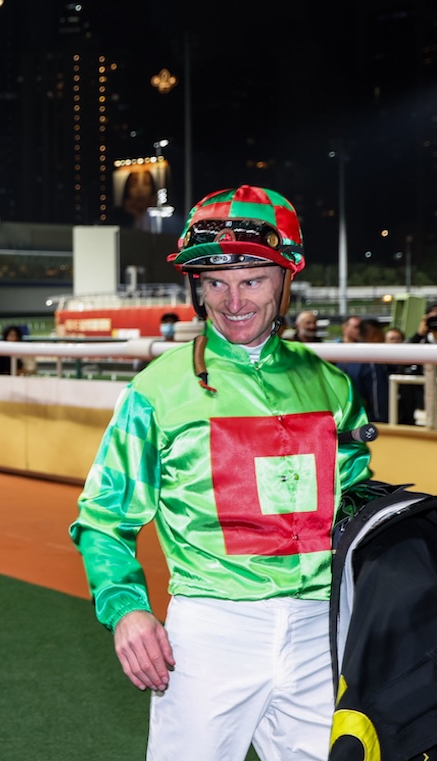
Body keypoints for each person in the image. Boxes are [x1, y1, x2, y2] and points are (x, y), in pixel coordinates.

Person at [70, 185, 372, 761]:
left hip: (320, 631)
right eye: (215, 282)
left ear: (287, 279)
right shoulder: (155, 390)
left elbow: (353, 513)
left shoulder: (331, 386)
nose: (233, 301)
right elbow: (103, 517)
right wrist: (127, 609)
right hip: (210, 633)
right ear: (197, 287)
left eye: (252, 280)